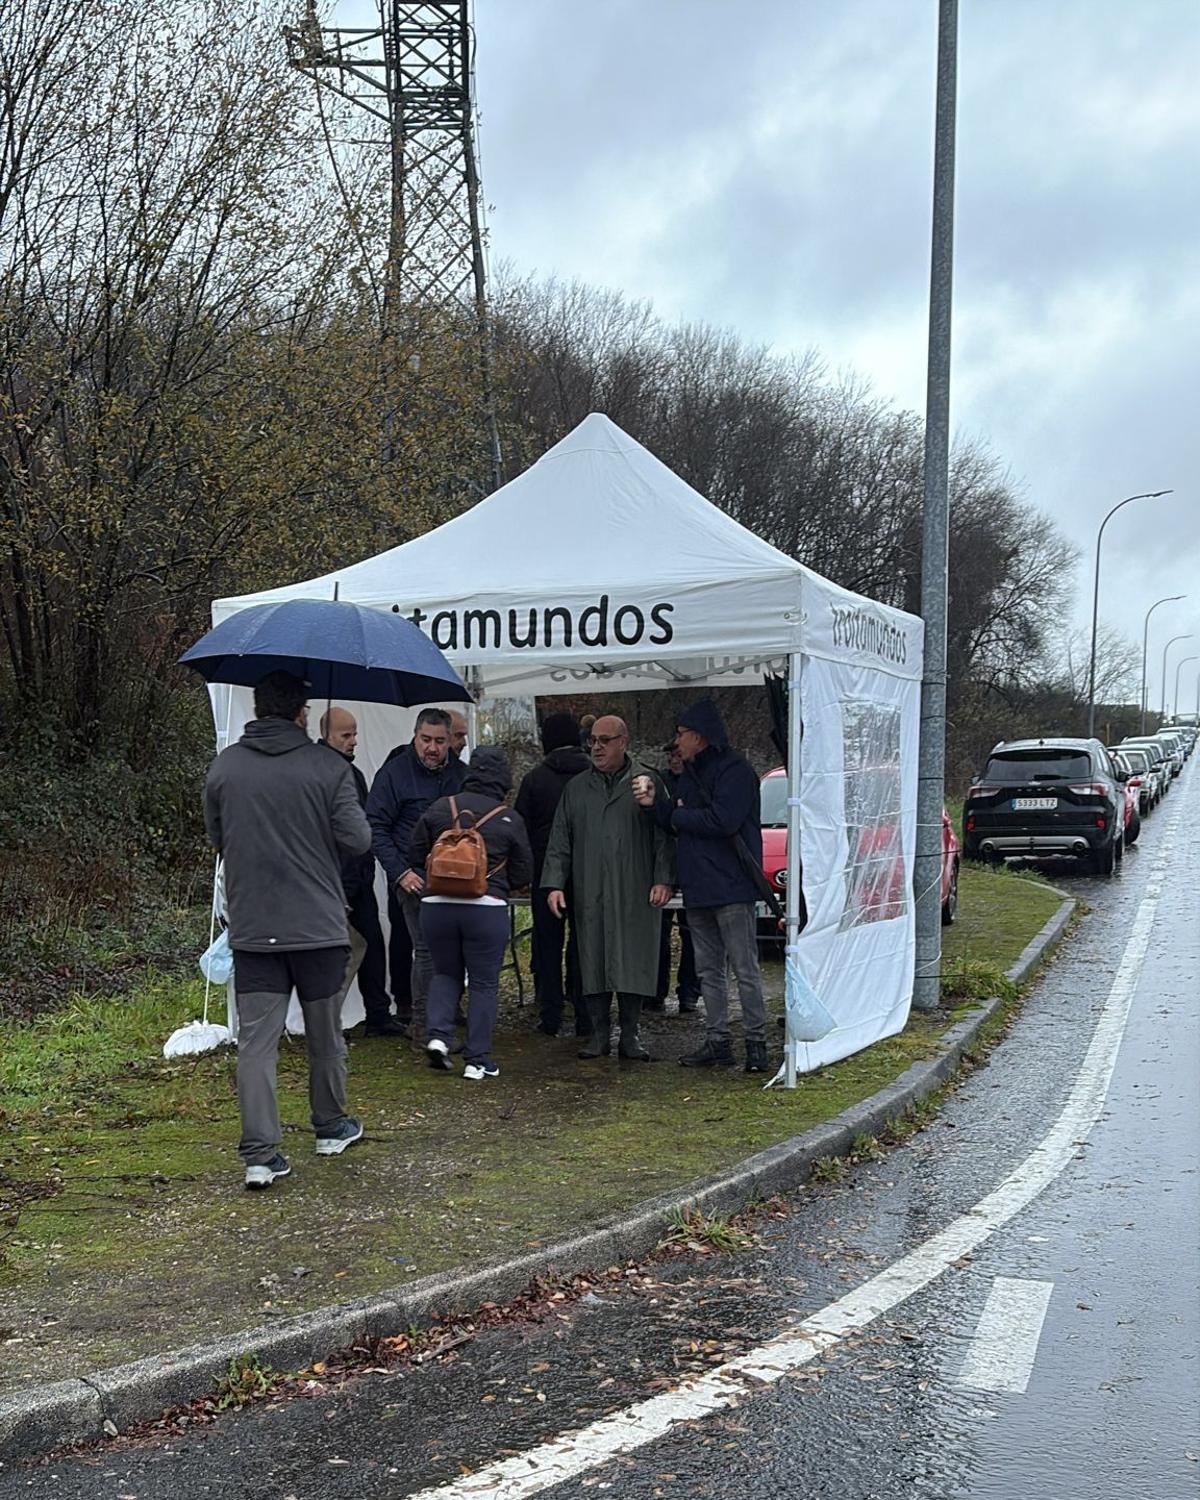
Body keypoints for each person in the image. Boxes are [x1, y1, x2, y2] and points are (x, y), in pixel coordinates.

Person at [203, 670, 369, 1189]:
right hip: (317, 927)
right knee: (325, 1034)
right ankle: (331, 1126)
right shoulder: (329, 767)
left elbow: (217, 837)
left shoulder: (225, 767)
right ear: (302, 713)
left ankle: (260, 1154)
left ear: (257, 709)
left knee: (256, 1045)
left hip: (253, 928)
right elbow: (359, 839)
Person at [634, 698, 769, 1072]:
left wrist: (677, 815)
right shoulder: (690, 775)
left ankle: (756, 1044)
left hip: (732, 887)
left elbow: (723, 821)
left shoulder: (737, 771)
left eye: (681, 734)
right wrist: (653, 806)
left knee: (744, 968)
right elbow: (679, 822)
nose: (676, 742)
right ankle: (718, 1040)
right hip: (699, 887)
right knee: (709, 971)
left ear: (699, 735)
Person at [541, 715, 675, 1061]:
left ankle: (630, 1035)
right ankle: (599, 1035)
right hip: (591, 887)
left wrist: (664, 878)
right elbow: (560, 840)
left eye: (605, 740)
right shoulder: (577, 788)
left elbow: (664, 834)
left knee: (634, 958)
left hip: (635, 886)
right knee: (593, 958)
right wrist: (554, 883)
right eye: (593, 740)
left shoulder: (646, 782)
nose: (596, 747)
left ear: (623, 742)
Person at [408, 747, 533, 1080]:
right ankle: (477, 1060)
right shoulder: (509, 819)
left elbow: (415, 852)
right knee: (483, 983)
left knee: (445, 973)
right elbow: (523, 873)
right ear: (503, 779)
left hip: (436, 907)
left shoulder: (440, 808)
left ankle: (438, 1037)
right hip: (485, 908)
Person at [366, 707, 466, 1045]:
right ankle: (424, 1025)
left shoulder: (461, 774)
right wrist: (400, 872)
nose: (432, 748)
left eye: (439, 741)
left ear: (450, 741)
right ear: (415, 736)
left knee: (451, 949)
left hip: (457, 876)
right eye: (425, 740)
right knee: (426, 950)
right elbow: (375, 825)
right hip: (415, 877)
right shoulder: (395, 773)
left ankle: (442, 1015)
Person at [318, 708, 407, 1037]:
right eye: (346, 735)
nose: (354, 740)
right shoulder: (322, 772)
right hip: (335, 878)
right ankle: (328, 1020)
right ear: (327, 735)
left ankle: (378, 1013)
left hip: (358, 875)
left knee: (372, 944)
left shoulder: (350, 772)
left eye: (354, 734)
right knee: (337, 954)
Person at [514, 713, 590, 1037]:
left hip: (546, 872)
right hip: (587, 871)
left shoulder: (535, 780)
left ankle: (550, 1015)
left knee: (547, 944)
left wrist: (525, 872)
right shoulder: (592, 775)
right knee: (583, 944)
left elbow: (520, 830)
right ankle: (585, 1013)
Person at [653, 741, 701, 1015]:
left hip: (691, 867)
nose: (674, 760)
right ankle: (655, 991)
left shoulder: (699, 781)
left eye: (677, 754)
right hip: (662, 867)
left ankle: (689, 992)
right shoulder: (659, 782)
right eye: (670, 755)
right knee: (657, 933)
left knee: (692, 933)